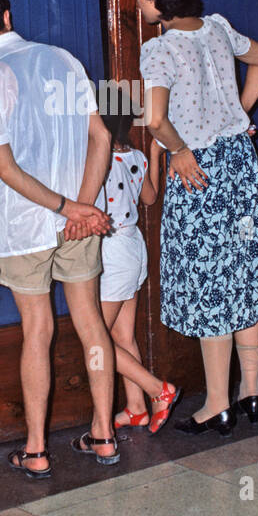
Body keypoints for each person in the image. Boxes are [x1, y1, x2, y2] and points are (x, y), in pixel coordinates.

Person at [0, 0, 118, 477]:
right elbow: (101, 136)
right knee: (90, 322)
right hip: (79, 218)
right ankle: (106, 436)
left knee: (37, 332)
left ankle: (37, 449)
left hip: (26, 227)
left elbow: (8, 172)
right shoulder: (64, 59)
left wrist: (69, 208)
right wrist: (83, 208)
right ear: (8, 15)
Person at [131, 0, 258, 436]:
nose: (138, 5)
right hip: (239, 165)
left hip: (197, 171)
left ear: (157, 0)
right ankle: (251, 390)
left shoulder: (159, 49)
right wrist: (236, 115)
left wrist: (176, 150)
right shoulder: (218, 27)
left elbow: (155, 118)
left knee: (210, 284)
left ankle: (217, 402)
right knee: (243, 273)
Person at [96, 93, 180, 434]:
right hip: (134, 247)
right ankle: (135, 409)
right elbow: (149, 198)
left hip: (112, 251)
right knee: (123, 336)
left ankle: (158, 390)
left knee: (96, 339)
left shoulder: (96, 158)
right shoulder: (136, 157)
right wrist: (156, 155)